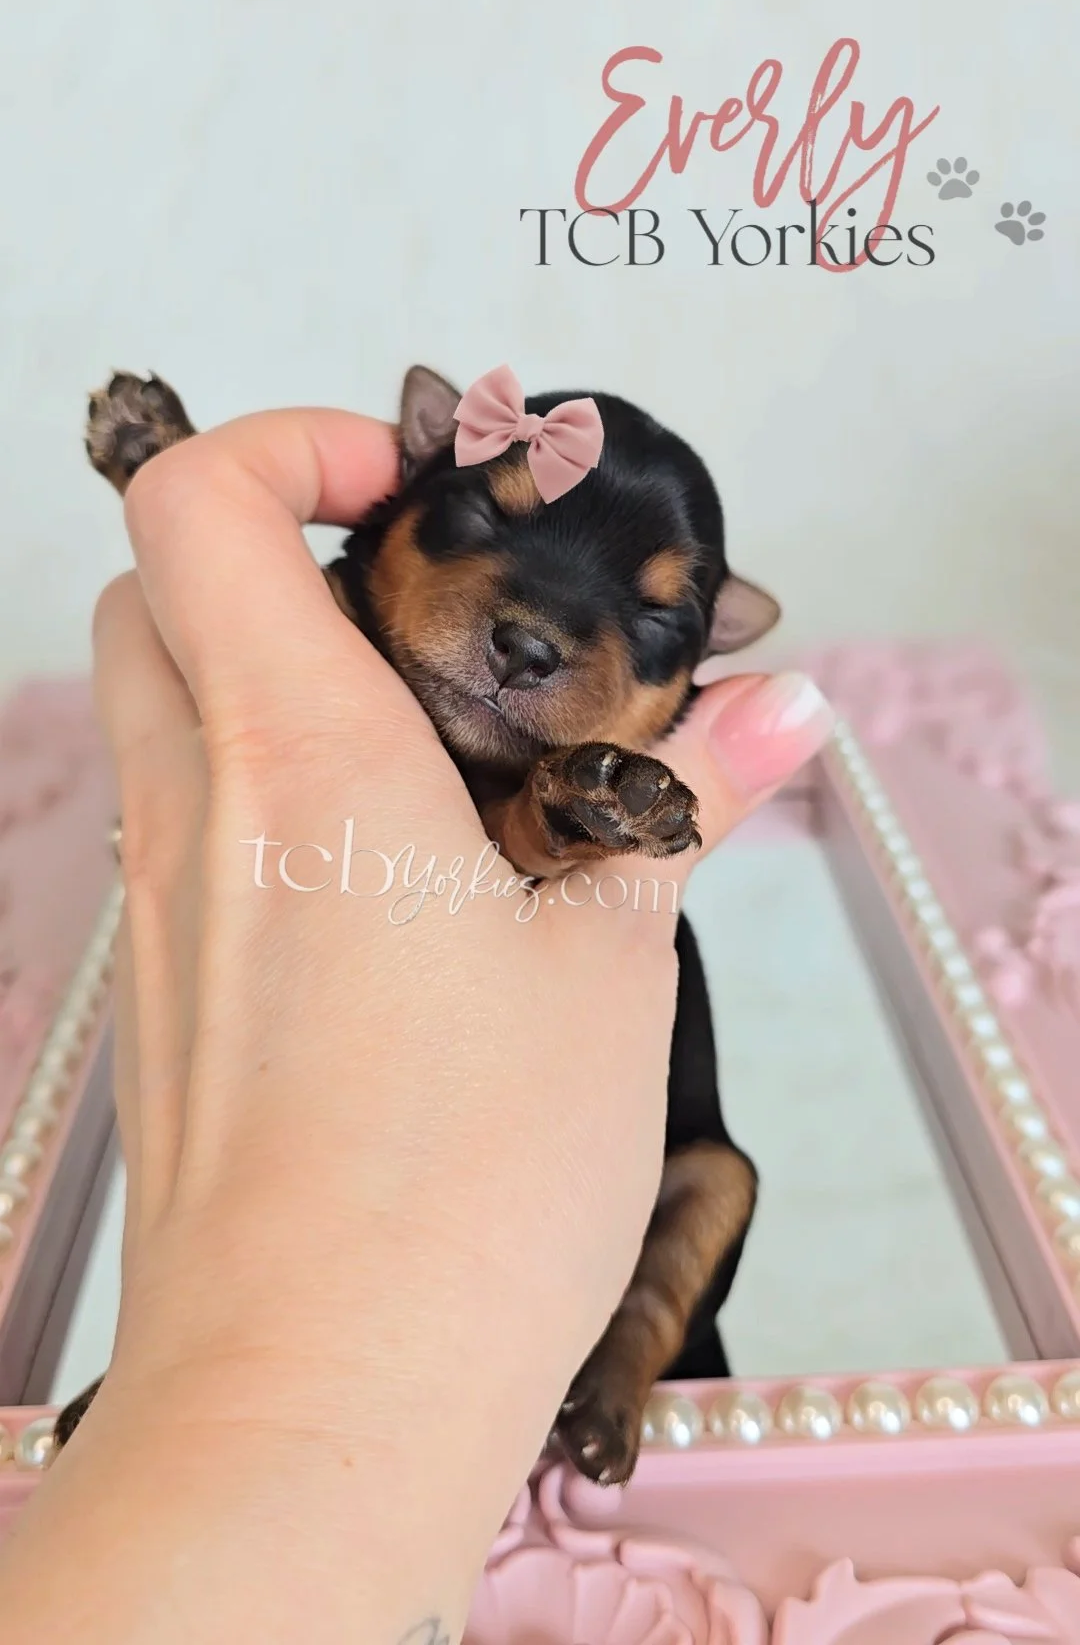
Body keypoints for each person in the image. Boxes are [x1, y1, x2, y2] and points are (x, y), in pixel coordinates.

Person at [0, 407, 833, 1644]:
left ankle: (614, 1368)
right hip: (298, 1296)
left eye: (653, 618)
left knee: (712, 1181)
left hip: (622, 1215)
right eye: (483, 515)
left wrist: (566, 809)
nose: (537, 628)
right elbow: (265, 647)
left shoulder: (578, 793)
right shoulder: (332, 679)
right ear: (382, 518)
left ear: (688, 692)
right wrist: (191, 501)